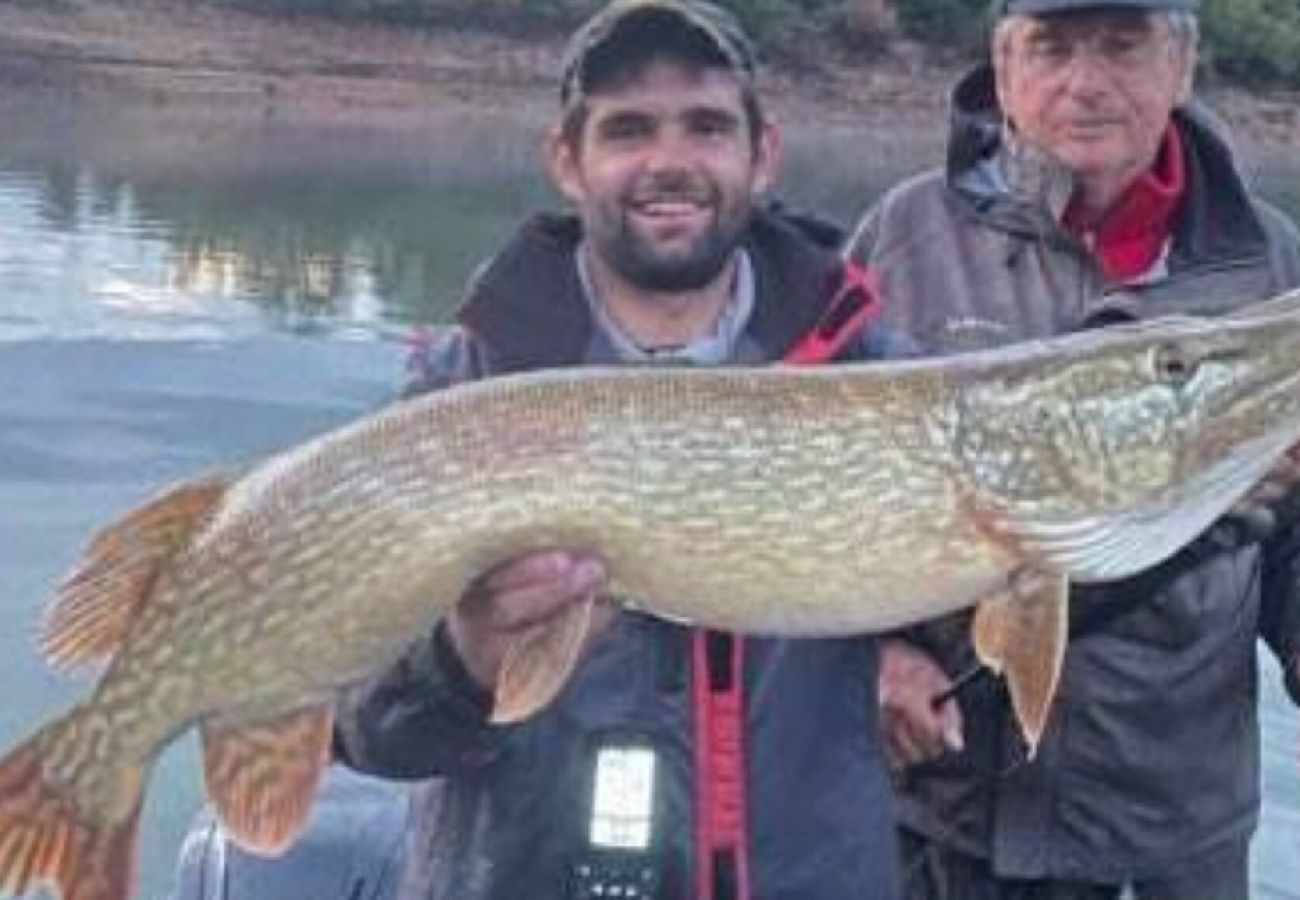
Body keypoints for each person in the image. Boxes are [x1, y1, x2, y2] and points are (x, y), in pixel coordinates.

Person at [174, 2, 907, 899]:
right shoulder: (469, 378)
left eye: (708, 126)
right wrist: (461, 662)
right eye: (628, 129)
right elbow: (358, 728)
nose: (669, 163)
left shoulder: (868, 370)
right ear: (568, 159)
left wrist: (927, 648)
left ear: (763, 155)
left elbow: (973, 579)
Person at [845, 0, 1300, 897]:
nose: (1085, 83)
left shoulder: (1272, 270)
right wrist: (872, 658)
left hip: (1168, 833)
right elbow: (809, 499)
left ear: (1181, 64)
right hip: (944, 821)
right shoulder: (901, 240)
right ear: (1005, 67)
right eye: (1052, 48)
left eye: (1124, 46)